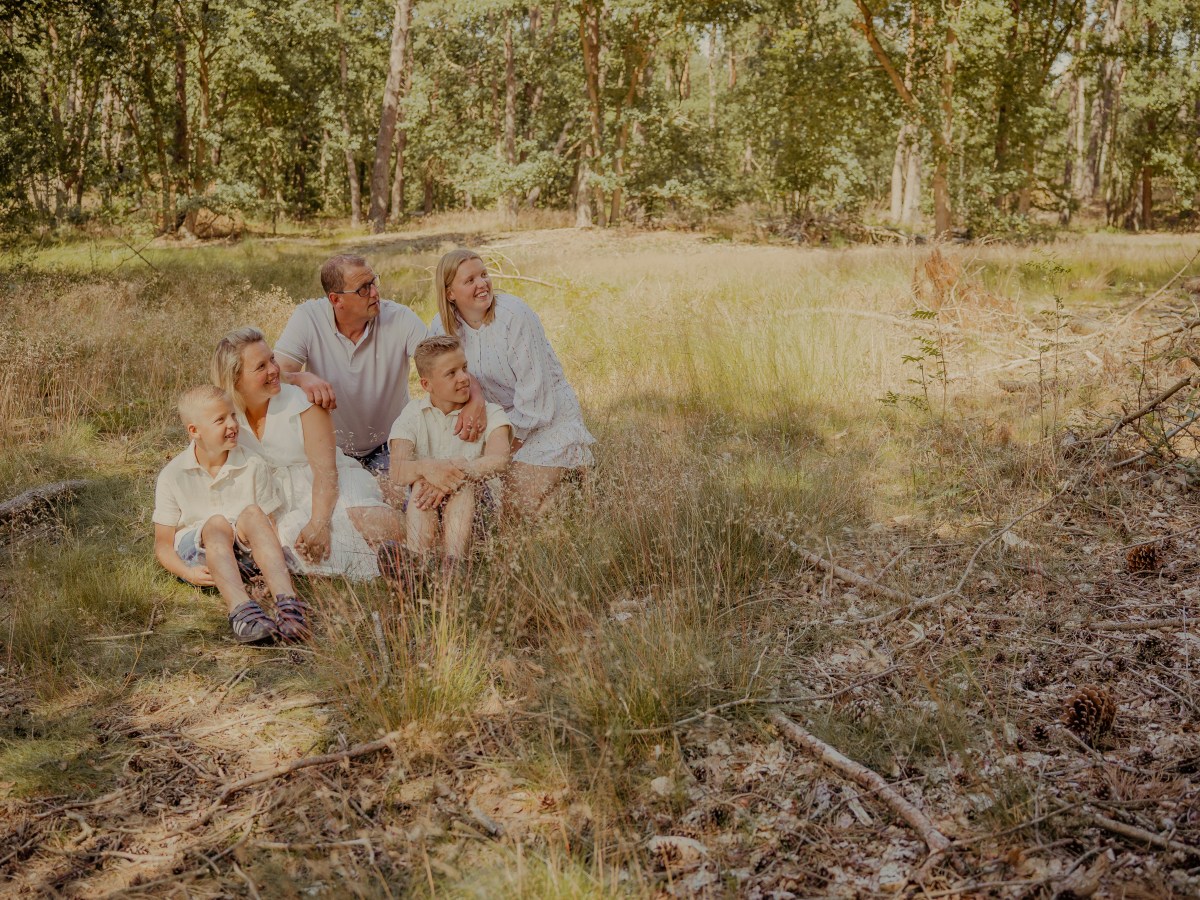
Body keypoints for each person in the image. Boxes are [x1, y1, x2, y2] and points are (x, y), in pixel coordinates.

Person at [213, 326, 405, 580]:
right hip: (277, 499)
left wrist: (319, 522)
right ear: (236, 380)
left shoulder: (303, 403)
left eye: (272, 359)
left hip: (326, 486)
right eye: (260, 367)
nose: (273, 369)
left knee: (356, 519)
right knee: (288, 539)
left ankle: (415, 550)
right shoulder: (227, 419)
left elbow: (326, 474)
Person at [273, 254, 487, 473]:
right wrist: (300, 377)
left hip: (391, 444)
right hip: (331, 449)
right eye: (363, 289)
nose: (375, 293)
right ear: (336, 300)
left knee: (401, 501)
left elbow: (444, 363)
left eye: (373, 282)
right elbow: (274, 375)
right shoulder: (309, 318)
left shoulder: (400, 318)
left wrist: (476, 399)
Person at [430, 249, 595, 514]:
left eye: (483, 275)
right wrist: (475, 401)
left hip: (545, 419)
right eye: (470, 280)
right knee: (467, 498)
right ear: (450, 293)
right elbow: (440, 385)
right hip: (493, 423)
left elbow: (536, 402)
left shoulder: (514, 316)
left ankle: (567, 480)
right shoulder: (441, 327)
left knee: (513, 508)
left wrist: (498, 452)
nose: (482, 284)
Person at [152, 385, 309, 644]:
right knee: (216, 524)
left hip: (244, 553)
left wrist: (268, 571)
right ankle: (242, 612)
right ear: (194, 431)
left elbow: (268, 528)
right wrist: (188, 573)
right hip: (201, 555)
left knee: (254, 514)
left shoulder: (252, 463)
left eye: (233, 416)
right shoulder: (173, 475)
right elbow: (162, 545)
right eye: (220, 420)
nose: (232, 424)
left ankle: (288, 605)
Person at [386, 335, 512, 566]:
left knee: (460, 485)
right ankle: (417, 563)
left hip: (477, 513)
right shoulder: (413, 414)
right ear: (426, 385)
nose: (464, 378)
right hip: (425, 511)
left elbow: (499, 460)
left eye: (464, 368)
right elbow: (397, 469)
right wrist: (430, 469)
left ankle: (454, 566)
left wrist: (453, 472)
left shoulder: (491, 413)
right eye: (451, 373)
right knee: (422, 485)